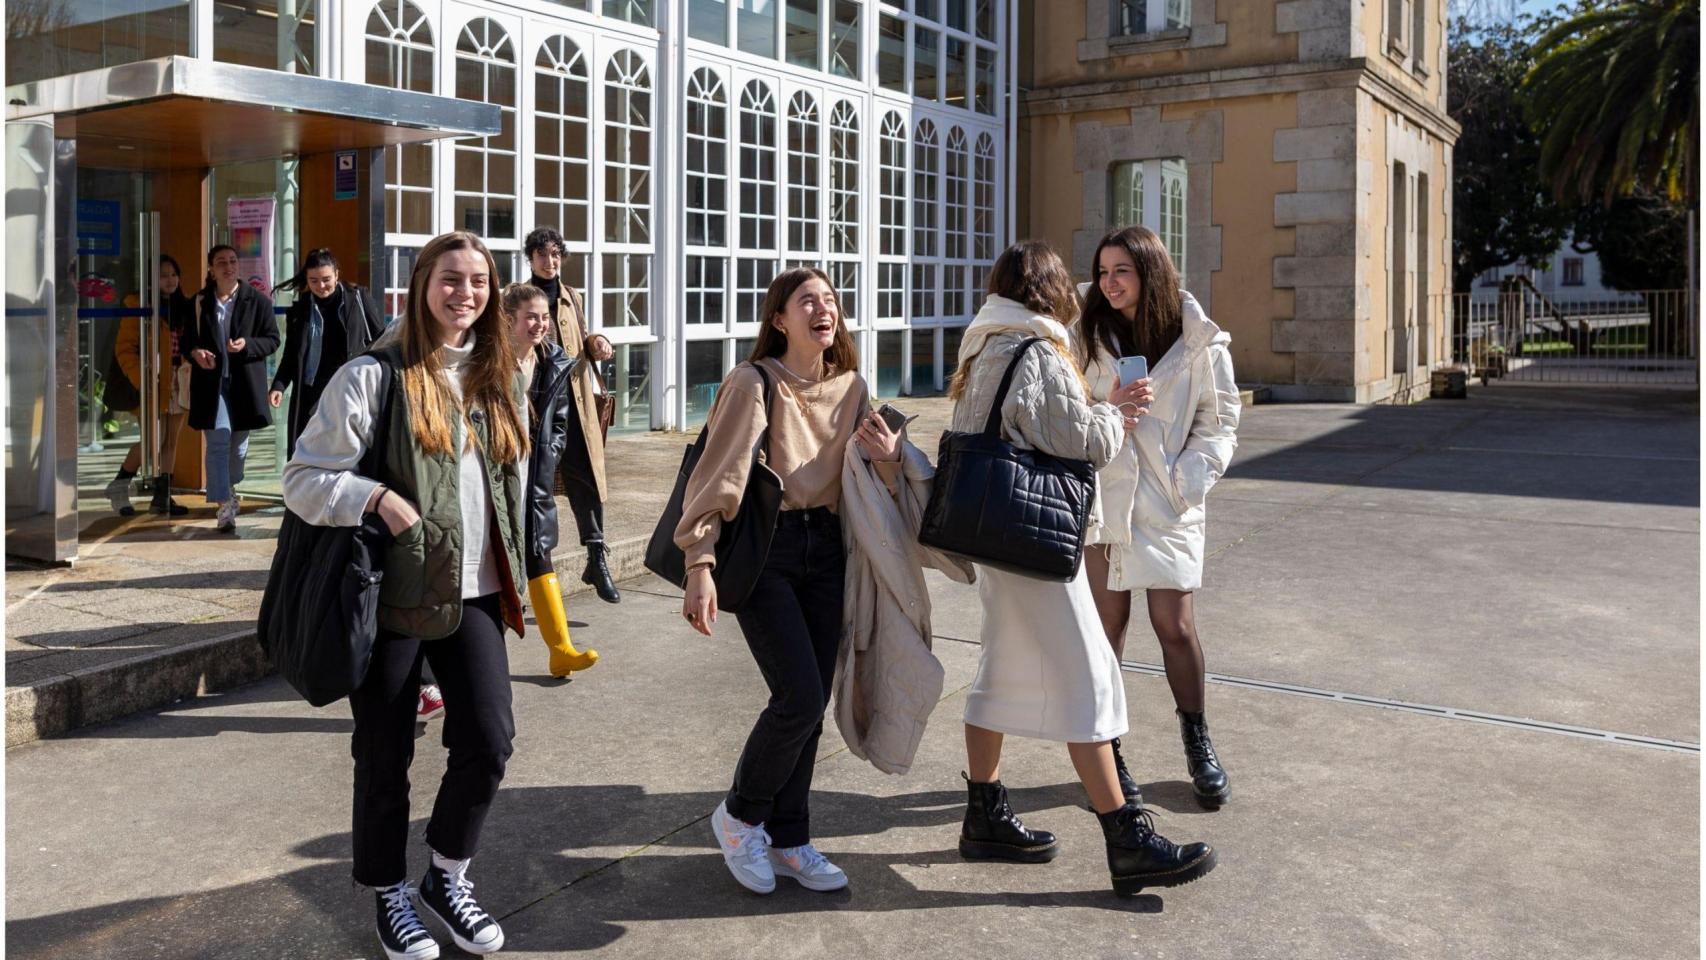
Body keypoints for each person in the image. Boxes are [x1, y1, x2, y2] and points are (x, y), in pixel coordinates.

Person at [283, 231, 529, 960]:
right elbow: (303, 479)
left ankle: (446, 875)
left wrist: (527, 562)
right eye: (450, 279)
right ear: (422, 286)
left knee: (489, 739)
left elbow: (512, 484)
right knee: (385, 752)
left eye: (479, 282)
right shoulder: (375, 374)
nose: (466, 294)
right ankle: (389, 890)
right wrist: (378, 499)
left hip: (475, 592)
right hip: (393, 595)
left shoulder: (496, 374)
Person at [946, 240, 1216, 897]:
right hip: (1036, 544)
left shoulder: (985, 343)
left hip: (995, 537)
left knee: (998, 669)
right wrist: (1120, 406)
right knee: (1092, 679)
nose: (1082, 286)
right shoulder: (1037, 350)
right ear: (1046, 288)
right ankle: (1127, 837)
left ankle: (984, 815)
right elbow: (1089, 441)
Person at [675, 267, 902, 896]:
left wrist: (888, 456)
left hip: (828, 551)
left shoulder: (853, 386)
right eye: (807, 301)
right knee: (798, 696)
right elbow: (716, 478)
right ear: (779, 319)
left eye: (830, 299)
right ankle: (741, 815)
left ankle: (791, 838)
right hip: (767, 552)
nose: (823, 308)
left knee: (813, 704)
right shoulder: (753, 383)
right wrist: (700, 565)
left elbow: (871, 479)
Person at [1074, 226, 1240, 808]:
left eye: (1122, 270)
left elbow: (1218, 425)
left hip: (1169, 503)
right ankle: (1108, 751)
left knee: (1176, 626)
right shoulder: (1082, 335)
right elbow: (1065, 408)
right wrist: (1106, 409)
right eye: (1102, 271)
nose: (1109, 283)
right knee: (1106, 630)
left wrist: (1185, 482)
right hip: (1104, 502)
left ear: (1150, 271)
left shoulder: (1199, 342)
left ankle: (1197, 740)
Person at [504, 281, 599, 678]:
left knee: (539, 550)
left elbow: (560, 419)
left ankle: (561, 649)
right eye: (531, 317)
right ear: (508, 320)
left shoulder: (553, 360)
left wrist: (552, 450)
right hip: (496, 478)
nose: (540, 324)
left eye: (544, 317)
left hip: (535, 475)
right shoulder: (489, 360)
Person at [522, 226, 619, 602]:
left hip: (576, 403)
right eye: (543, 255)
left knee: (587, 481)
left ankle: (597, 558)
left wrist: (596, 341)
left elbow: (579, 339)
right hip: (536, 407)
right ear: (531, 258)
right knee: (534, 486)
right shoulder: (517, 297)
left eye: (556, 254)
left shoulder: (570, 297)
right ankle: (530, 568)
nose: (551, 261)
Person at [185, 244, 279, 533]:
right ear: (211, 269)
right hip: (212, 385)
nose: (228, 266)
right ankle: (223, 504)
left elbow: (273, 339)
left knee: (237, 451)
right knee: (218, 440)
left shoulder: (257, 301)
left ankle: (230, 486)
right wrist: (196, 353)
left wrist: (247, 345)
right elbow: (188, 341)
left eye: (233, 261)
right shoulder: (200, 302)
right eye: (221, 262)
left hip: (244, 384)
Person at [269, 248, 385, 460]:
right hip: (312, 389)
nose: (321, 286)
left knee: (346, 447)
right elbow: (292, 354)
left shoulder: (358, 298)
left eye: (326, 279)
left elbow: (380, 338)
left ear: (337, 274)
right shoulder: (301, 308)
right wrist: (279, 385)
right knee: (308, 447)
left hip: (349, 387)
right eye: (313, 281)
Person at [104, 255, 194, 517]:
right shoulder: (137, 304)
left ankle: (162, 496)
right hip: (152, 382)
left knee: (171, 441)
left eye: (173, 274)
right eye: (163, 275)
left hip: (178, 379)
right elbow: (125, 349)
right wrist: (143, 381)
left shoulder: (182, 306)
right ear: (151, 280)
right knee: (153, 441)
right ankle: (119, 485)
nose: (170, 280)